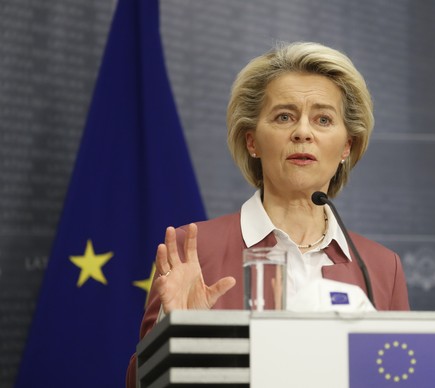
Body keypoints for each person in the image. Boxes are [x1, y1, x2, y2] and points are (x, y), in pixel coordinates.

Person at [126, 41, 409, 387]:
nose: (303, 132)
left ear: (346, 146)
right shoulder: (194, 250)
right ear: (252, 141)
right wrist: (175, 329)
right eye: (284, 116)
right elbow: (138, 383)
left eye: (323, 119)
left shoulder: (381, 268)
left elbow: (401, 376)